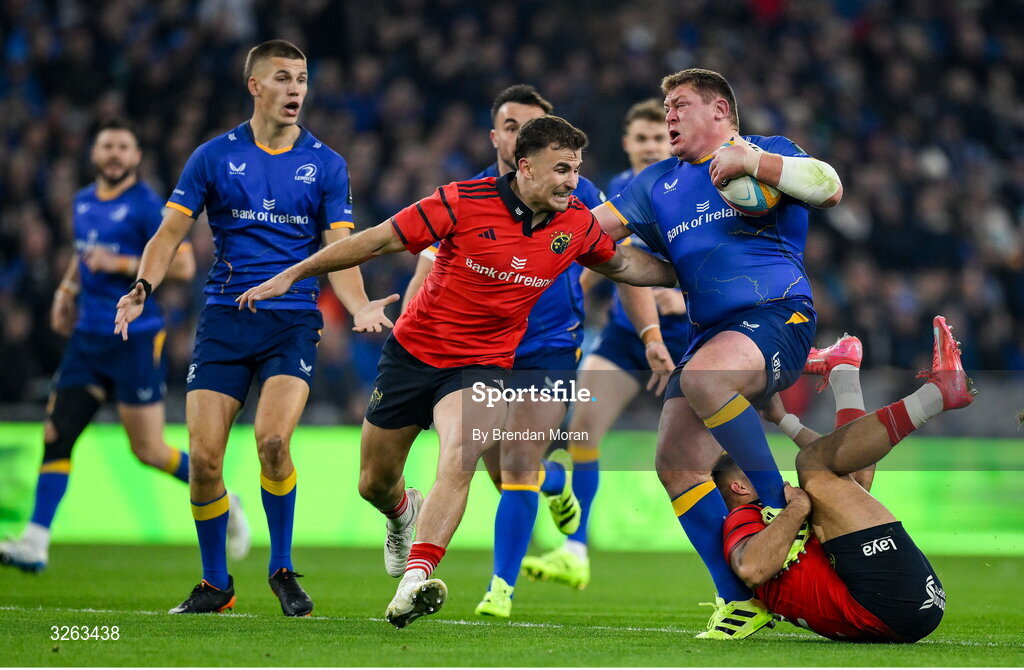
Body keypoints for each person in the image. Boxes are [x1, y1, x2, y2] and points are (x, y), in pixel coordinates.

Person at [234, 115, 679, 628]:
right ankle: (402, 513)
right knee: (373, 483)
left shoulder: (575, 223)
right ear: (525, 166)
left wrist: (693, 271)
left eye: (575, 170)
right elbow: (377, 240)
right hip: (413, 354)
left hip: (485, 364)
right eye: (561, 169)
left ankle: (414, 580)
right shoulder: (462, 200)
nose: (572, 182)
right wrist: (292, 274)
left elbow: (625, 267)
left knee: (462, 456)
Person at [114, 40, 396, 616]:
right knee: (206, 459)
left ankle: (283, 567)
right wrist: (142, 286)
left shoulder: (327, 164)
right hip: (224, 319)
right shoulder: (213, 158)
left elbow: (338, 250)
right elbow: (168, 235)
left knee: (272, 441)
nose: (296, 89)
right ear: (255, 86)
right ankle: (216, 585)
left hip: (291, 321)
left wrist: (361, 304)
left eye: (303, 79)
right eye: (284, 78)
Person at [590, 68, 843, 638]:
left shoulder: (769, 151)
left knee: (707, 378)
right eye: (665, 106)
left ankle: (781, 507)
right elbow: (597, 235)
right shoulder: (656, 184)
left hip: (780, 316)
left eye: (679, 105)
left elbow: (830, 187)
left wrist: (751, 163)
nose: (668, 116)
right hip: (711, 336)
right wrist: (560, 240)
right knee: (675, 462)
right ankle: (741, 600)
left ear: (721, 111)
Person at [0, 120, 252, 572]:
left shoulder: (146, 206)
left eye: (123, 147)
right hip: (87, 340)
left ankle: (226, 499)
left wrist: (117, 262)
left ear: (136, 157)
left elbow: (183, 265)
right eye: (107, 147)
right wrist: (66, 291)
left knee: (149, 450)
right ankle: (36, 543)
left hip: (134, 340)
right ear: (95, 155)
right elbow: (83, 257)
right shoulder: (81, 202)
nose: (114, 154)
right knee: (57, 434)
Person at [401, 83, 605, 618]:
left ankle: (500, 591)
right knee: (502, 470)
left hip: (549, 345)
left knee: (516, 465)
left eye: (532, 126)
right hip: (480, 351)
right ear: (500, 139)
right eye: (512, 126)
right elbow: (427, 267)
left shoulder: (579, 196)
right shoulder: (467, 199)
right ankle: (556, 483)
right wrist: (408, 326)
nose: (521, 135)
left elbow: (617, 261)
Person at [714, 316, 973, 642]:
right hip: (886, 601)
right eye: (752, 469)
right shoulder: (744, 518)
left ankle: (844, 368)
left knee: (844, 475)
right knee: (812, 464)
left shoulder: (776, 514)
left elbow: (847, 470)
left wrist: (783, 419)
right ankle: (936, 395)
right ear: (738, 486)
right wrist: (796, 509)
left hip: (909, 604)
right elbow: (751, 568)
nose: (765, 468)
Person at [522, 99, 691, 590]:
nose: (650, 146)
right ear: (627, 143)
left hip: (691, 338)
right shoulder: (617, 191)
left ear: (672, 141)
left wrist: (682, 293)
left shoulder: (697, 187)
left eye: (658, 138)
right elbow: (598, 259)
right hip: (624, 334)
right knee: (582, 430)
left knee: (709, 455)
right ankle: (575, 548)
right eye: (641, 138)